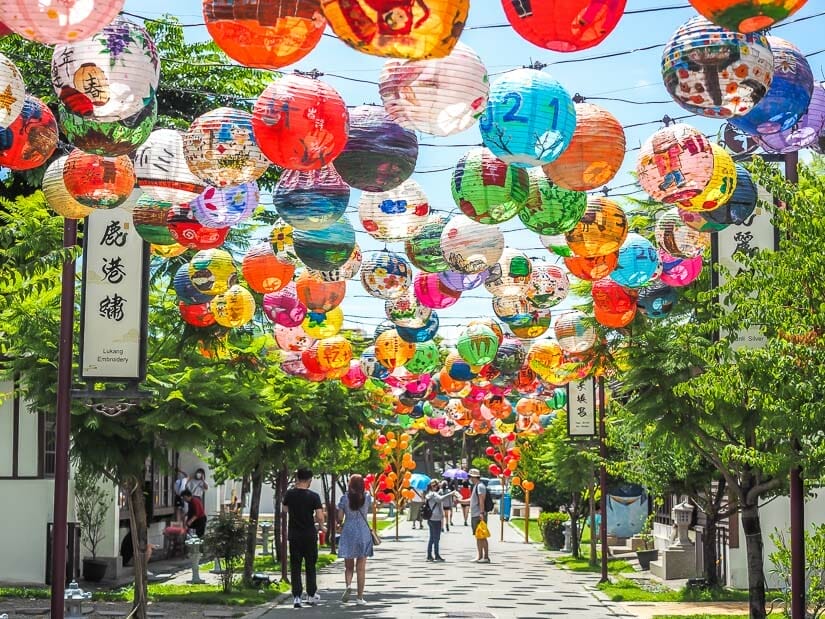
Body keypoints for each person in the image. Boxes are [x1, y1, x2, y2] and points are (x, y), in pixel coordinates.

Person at [282, 468, 325, 609]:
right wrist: (321, 525)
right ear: (309, 480)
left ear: (297, 478)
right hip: (309, 534)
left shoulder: (289, 494)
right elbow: (319, 516)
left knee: (295, 565)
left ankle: (296, 597)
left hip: (294, 534)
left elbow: (284, 509)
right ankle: (311, 595)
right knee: (310, 565)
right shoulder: (314, 496)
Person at [336, 474, 373, 606]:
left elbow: (340, 517)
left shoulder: (344, 498)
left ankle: (348, 585)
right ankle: (360, 597)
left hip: (349, 531)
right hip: (363, 531)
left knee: (348, 566)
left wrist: (340, 521)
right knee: (361, 568)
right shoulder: (367, 496)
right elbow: (373, 506)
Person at [423, 480, 452, 561]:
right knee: (436, 538)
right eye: (436, 485)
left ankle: (429, 555)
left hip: (430, 518)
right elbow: (440, 499)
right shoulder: (434, 494)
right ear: (434, 486)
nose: (437, 487)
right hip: (436, 518)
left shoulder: (428, 494)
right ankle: (436, 555)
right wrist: (451, 493)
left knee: (432, 537)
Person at [468, 469, 490, 563]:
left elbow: (481, 500)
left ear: (474, 477)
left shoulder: (480, 486)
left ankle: (485, 556)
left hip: (478, 514)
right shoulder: (476, 486)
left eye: (470, 477)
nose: (469, 479)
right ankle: (480, 556)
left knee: (482, 535)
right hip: (475, 514)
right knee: (478, 535)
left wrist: (481, 513)